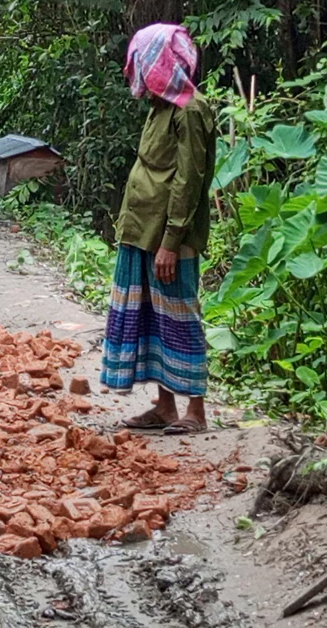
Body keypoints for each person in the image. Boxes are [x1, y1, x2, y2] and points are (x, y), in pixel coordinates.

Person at [102, 23, 216, 435]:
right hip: (140, 230)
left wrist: (171, 242)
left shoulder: (190, 110)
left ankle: (195, 411)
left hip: (168, 238)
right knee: (151, 316)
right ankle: (166, 405)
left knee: (179, 314)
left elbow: (189, 179)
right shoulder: (161, 106)